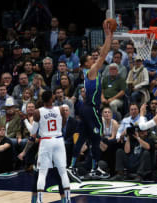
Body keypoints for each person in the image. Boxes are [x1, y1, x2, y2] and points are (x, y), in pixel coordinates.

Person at [67, 21, 113, 180]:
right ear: (86, 63)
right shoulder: (92, 70)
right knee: (96, 137)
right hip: (91, 109)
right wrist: (108, 36)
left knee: (83, 138)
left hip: (86, 108)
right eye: (90, 59)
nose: (93, 60)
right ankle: (93, 168)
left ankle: (74, 167)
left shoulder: (88, 73)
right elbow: (104, 54)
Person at [32, 90, 71, 203]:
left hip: (46, 141)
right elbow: (63, 124)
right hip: (59, 140)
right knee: (63, 171)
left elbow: (34, 131)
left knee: (42, 172)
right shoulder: (61, 109)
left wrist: (25, 120)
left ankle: (39, 200)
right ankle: (68, 199)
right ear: (51, 99)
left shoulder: (37, 112)